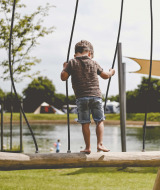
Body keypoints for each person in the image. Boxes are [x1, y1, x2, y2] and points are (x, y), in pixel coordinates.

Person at [61, 40, 115, 154]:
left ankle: (88, 147)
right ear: (89, 53)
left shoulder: (72, 62)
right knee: (99, 121)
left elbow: (63, 77)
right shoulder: (94, 63)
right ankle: (100, 144)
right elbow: (105, 76)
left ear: (75, 54)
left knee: (85, 122)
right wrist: (111, 72)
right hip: (96, 97)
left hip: (81, 98)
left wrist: (64, 67)